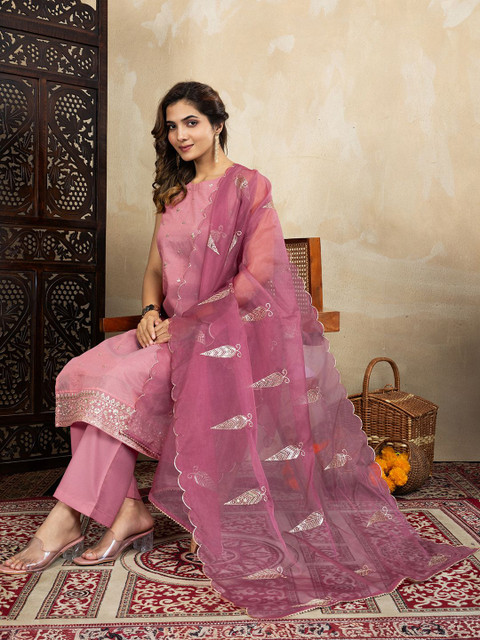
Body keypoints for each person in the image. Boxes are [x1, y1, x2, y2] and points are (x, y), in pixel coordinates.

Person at [0, 81, 475, 618]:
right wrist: (152, 311)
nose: (180, 135)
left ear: (218, 123)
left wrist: (188, 326)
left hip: (217, 340)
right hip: (167, 331)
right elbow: (154, 270)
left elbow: (256, 278)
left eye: (191, 122)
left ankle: (67, 519)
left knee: (116, 384)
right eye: (171, 127)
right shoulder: (171, 193)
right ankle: (129, 510)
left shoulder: (249, 186)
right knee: (82, 372)